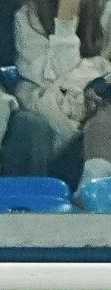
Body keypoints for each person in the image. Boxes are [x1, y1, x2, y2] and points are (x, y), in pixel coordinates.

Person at [15, 0, 111, 185]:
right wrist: (65, 19)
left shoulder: (105, 8)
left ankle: (96, 183)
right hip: (61, 122)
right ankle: (95, 185)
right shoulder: (27, 17)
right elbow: (58, 76)